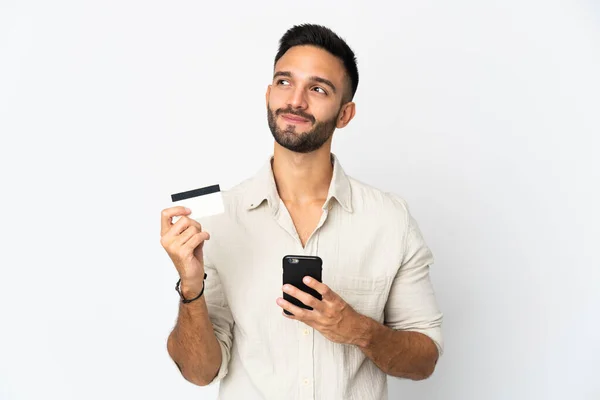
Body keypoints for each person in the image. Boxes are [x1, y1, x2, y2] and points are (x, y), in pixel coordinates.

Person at [160, 23, 443, 400]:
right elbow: (199, 372)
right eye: (284, 82)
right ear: (267, 94)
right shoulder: (216, 219)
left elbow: (424, 361)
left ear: (345, 114)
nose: (295, 101)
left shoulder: (391, 219)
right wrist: (190, 287)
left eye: (318, 89)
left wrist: (357, 329)